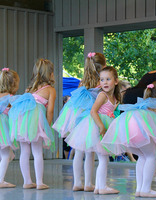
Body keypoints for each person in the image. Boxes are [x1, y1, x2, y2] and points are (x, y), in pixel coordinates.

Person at [101, 81, 156, 198]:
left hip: (127, 129)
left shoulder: (145, 103)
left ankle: (140, 189)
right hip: (138, 130)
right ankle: (146, 189)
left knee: (143, 156)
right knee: (151, 156)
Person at [53, 52, 106, 192]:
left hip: (78, 118)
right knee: (90, 153)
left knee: (79, 151)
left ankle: (77, 183)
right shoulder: (101, 82)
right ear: (103, 65)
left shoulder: (82, 82)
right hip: (91, 119)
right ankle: (88, 183)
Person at [66, 66, 120, 194]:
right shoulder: (102, 95)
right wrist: (101, 125)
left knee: (103, 157)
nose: (105, 82)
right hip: (96, 126)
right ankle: (101, 187)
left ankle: (98, 187)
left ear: (116, 81)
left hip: (104, 124)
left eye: (108, 79)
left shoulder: (114, 97)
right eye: (102, 80)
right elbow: (93, 111)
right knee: (103, 157)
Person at [9, 58, 56, 190]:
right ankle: (40, 182)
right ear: (51, 74)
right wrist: (47, 126)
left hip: (22, 120)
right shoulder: (50, 90)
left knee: (24, 151)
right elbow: (50, 111)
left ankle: (27, 181)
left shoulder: (29, 89)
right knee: (37, 151)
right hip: (36, 120)